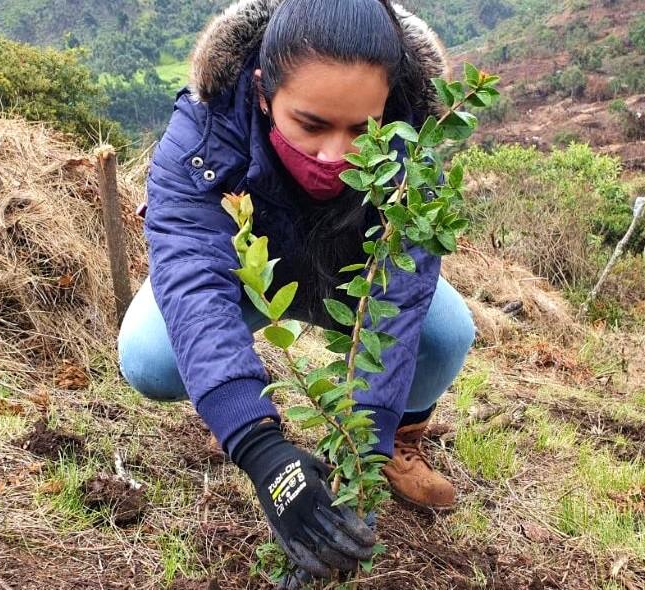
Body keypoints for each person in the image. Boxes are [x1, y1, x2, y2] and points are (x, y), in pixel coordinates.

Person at [117, 0, 472, 580]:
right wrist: (262, 450)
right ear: (262, 91)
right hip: (252, 279)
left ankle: (402, 440)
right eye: (310, 124)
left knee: (447, 332)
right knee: (151, 358)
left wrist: (364, 450)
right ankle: (227, 412)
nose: (335, 155)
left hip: (356, 285)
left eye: (363, 129)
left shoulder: (415, 146)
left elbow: (401, 296)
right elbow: (192, 280)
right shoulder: (203, 132)